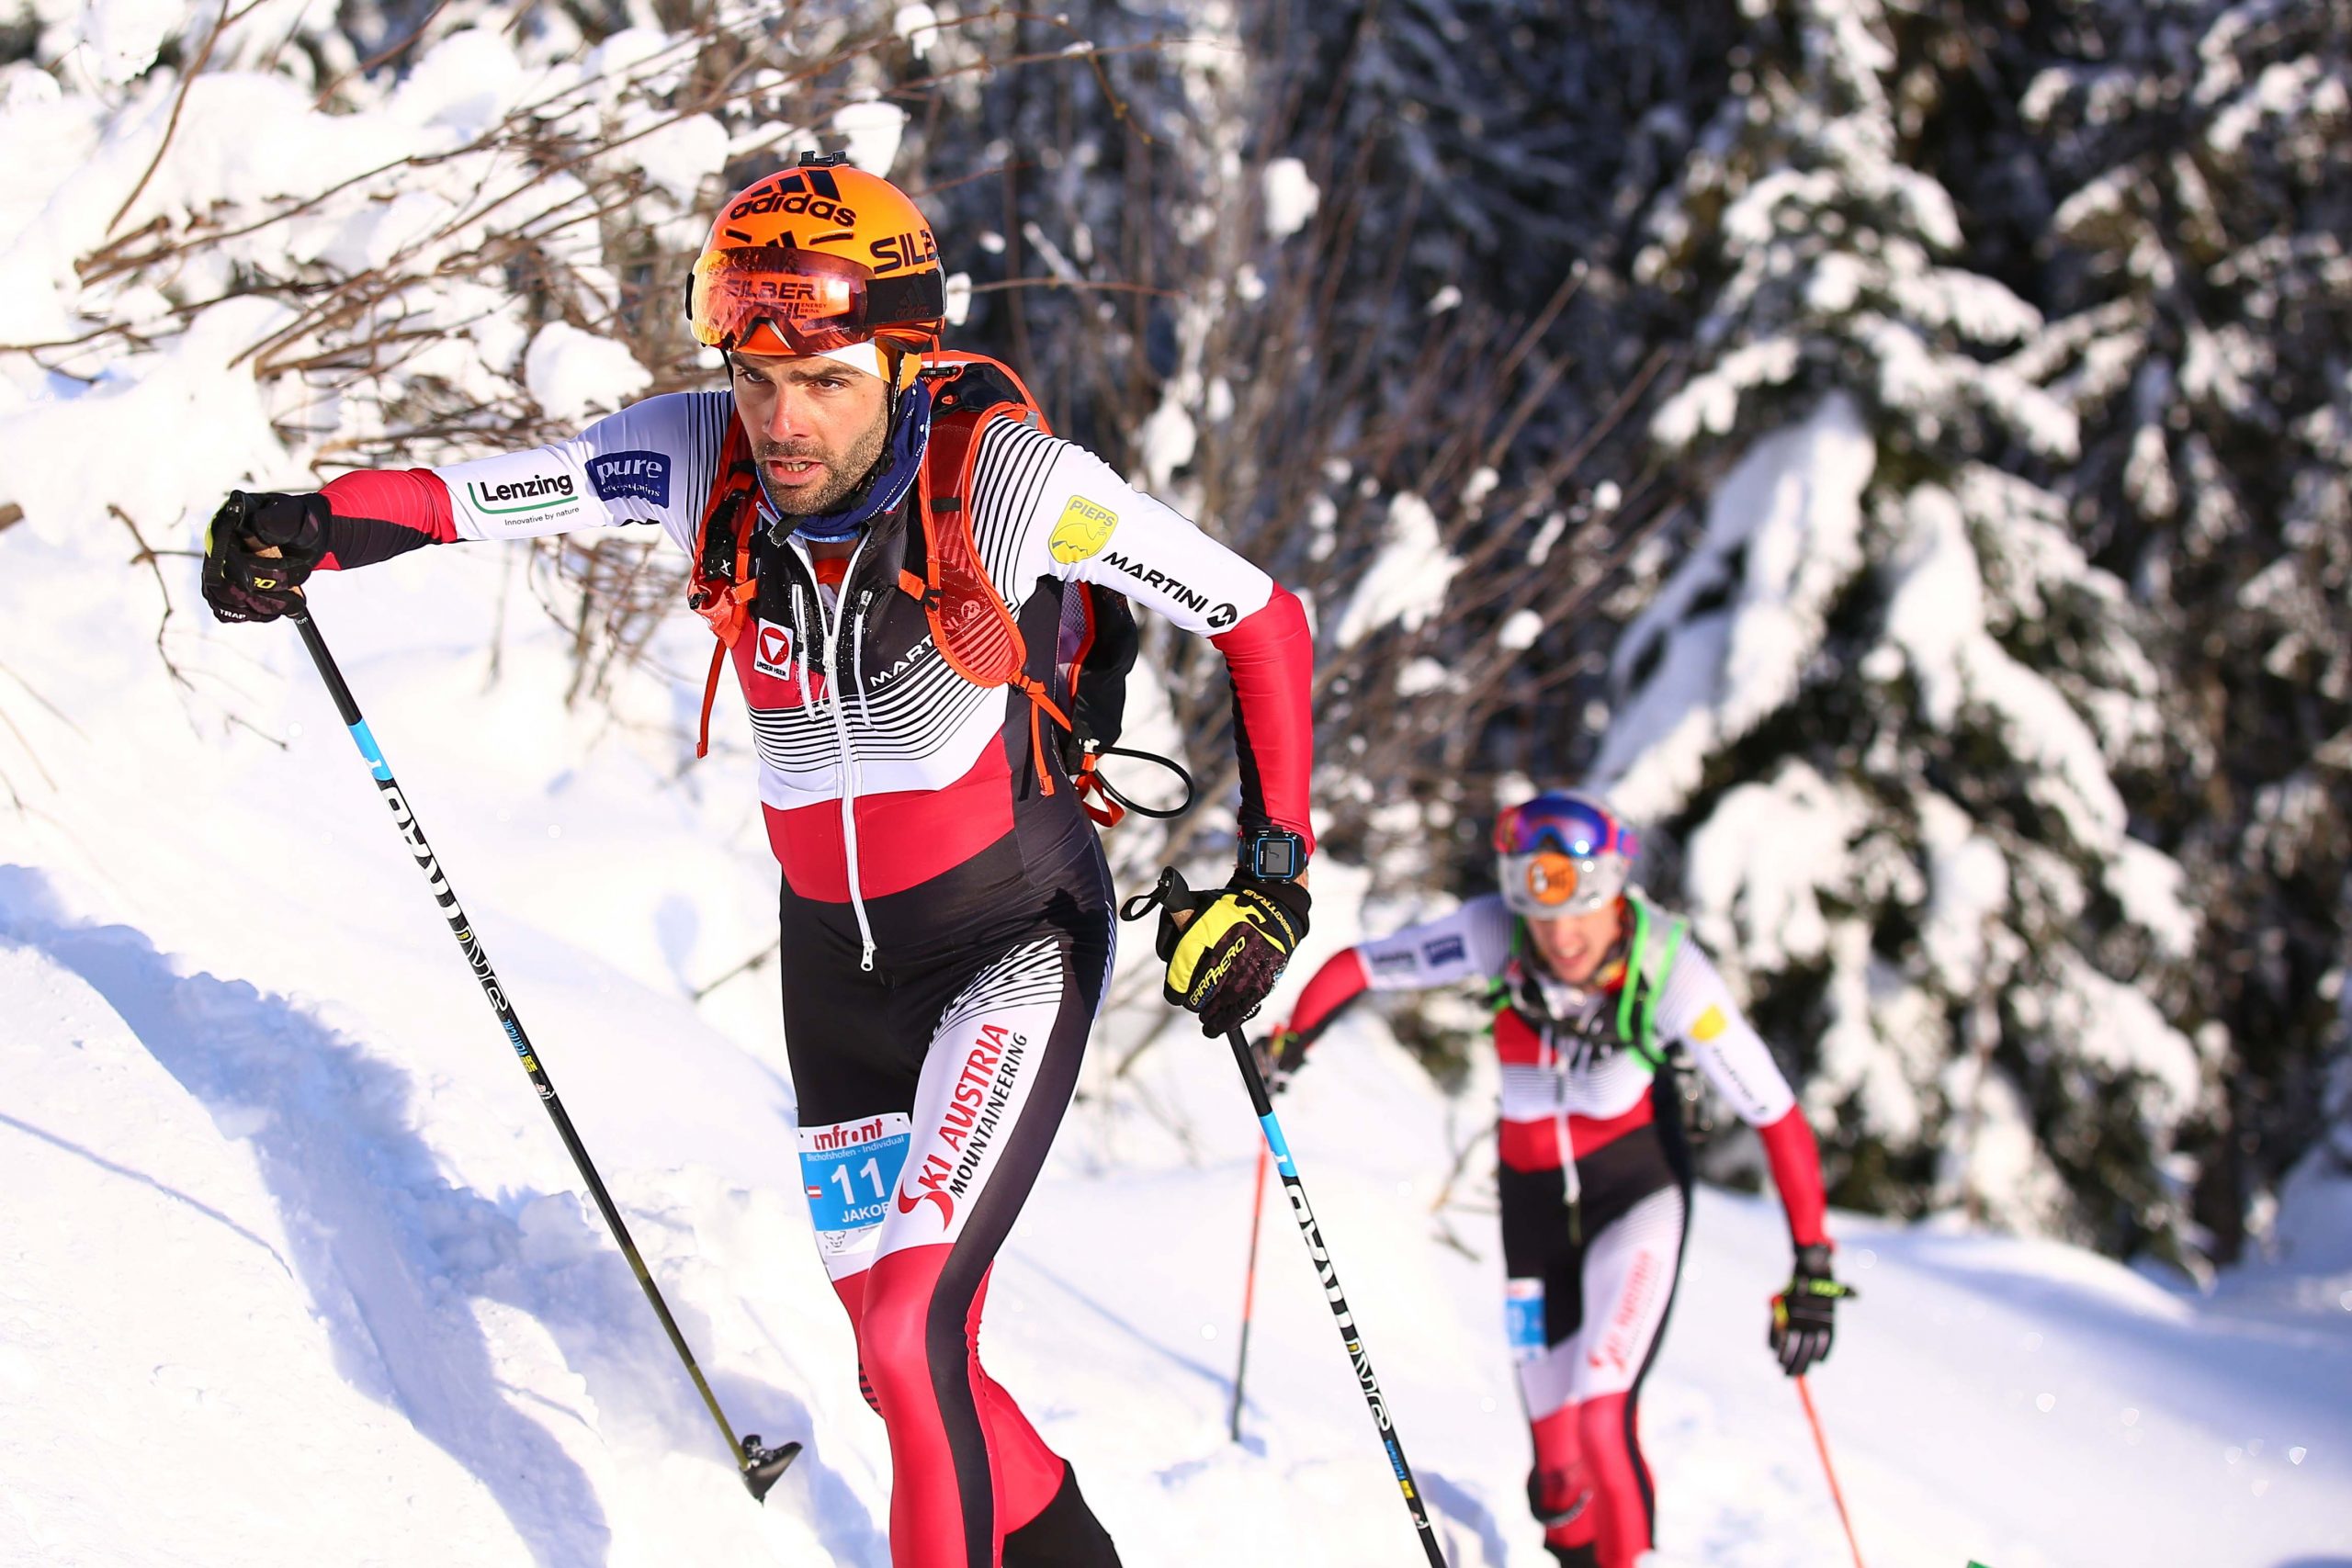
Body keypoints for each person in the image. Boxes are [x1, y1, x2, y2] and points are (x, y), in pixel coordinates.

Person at [201, 153, 1318, 1568]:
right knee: (910, 1372)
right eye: (755, 377)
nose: (782, 423)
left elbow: (1262, 620)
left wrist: (1272, 871)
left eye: (828, 382)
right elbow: (468, 500)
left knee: (914, 1334)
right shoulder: (698, 457)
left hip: (1008, 943)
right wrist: (305, 531)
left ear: (905, 363)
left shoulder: (1015, 483)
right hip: (834, 978)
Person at [1261, 790, 1849, 1568]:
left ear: (1616, 894)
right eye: (1544, 916)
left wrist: (1812, 1265)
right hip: (1533, 1216)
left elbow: (1775, 1114)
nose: (1562, 936)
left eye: (1584, 911)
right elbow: (1359, 966)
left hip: (1635, 1202)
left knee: (1603, 1416)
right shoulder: (1494, 934)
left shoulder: (1669, 970)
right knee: (1556, 1472)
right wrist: (1289, 1044)